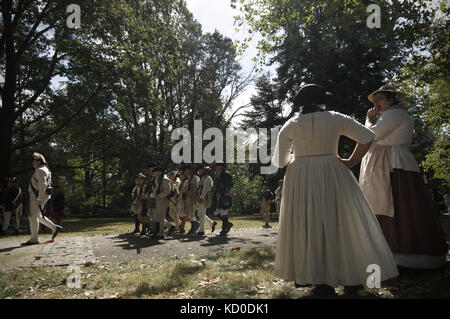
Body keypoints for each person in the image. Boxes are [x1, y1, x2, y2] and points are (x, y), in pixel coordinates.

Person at [272, 84, 398, 296]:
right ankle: (352, 277)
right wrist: (351, 161)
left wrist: (297, 157)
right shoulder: (335, 118)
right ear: (322, 101)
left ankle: (319, 280)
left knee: (309, 224)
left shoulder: (291, 125)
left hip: (301, 177)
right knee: (342, 223)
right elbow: (367, 136)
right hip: (333, 173)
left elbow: (280, 161)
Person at [360, 85, 448, 269]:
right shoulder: (386, 116)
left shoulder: (395, 114)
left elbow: (371, 135)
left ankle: (406, 256)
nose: (377, 104)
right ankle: (393, 254)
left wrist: (369, 119)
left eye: (381, 99)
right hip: (386, 162)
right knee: (390, 204)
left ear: (392, 100)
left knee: (399, 204)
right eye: (375, 101)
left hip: (393, 164)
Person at [22, 153, 62, 245]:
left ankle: (34, 239)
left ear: (38, 161)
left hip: (38, 197)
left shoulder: (40, 170)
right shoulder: (44, 169)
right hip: (39, 196)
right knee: (38, 216)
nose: (32, 163)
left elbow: (43, 185)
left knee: (33, 217)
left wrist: (39, 198)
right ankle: (55, 228)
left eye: (33, 161)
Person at [151, 167, 174, 239]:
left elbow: (168, 191)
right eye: (155, 172)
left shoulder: (165, 179)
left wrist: (160, 196)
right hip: (158, 200)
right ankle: (170, 227)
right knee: (157, 216)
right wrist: (154, 196)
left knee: (161, 217)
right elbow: (155, 189)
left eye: (157, 171)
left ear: (161, 172)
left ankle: (161, 234)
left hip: (164, 200)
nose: (156, 173)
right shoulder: (156, 179)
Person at [212, 162, 233, 237]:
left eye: (218, 165)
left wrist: (223, 193)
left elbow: (228, 185)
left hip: (225, 196)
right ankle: (228, 224)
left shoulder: (226, 174)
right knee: (218, 212)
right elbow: (217, 186)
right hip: (219, 196)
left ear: (221, 166)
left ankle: (224, 229)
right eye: (216, 166)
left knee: (223, 212)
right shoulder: (218, 174)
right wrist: (217, 193)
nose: (216, 167)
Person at [196, 165, 217, 235]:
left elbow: (205, 189)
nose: (200, 171)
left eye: (202, 170)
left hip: (204, 198)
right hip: (201, 197)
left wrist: (201, 197)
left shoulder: (207, 178)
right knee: (200, 214)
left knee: (201, 214)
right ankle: (211, 223)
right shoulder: (203, 178)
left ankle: (201, 230)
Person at [183, 165, 200, 234]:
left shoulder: (195, 178)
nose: (186, 172)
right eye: (185, 171)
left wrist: (194, 197)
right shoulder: (189, 179)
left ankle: (194, 227)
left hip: (193, 198)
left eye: (187, 171)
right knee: (189, 213)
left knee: (191, 213)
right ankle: (195, 225)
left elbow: (196, 188)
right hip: (188, 198)